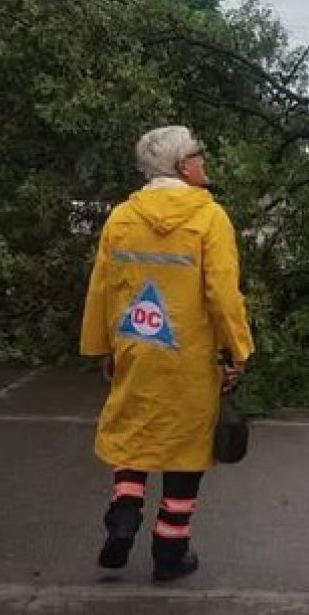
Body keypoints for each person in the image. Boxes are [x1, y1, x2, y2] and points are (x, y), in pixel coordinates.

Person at [80, 125, 254, 582]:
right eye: (199, 153)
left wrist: (103, 346)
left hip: (136, 344)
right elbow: (222, 294)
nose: (204, 161)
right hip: (190, 358)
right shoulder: (210, 218)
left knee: (132, 431)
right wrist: (238, 348)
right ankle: (169, 552)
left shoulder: (121, 217)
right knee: (186, 449)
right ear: (182, 165)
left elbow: (101, 287)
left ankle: (123, 514)